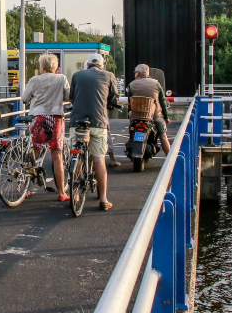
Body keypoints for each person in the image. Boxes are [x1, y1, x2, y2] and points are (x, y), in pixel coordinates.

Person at [69, 52, 119, 211]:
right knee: (99, 160)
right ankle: (103, 199)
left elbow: (72, 97)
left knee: (75, 154)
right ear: (101, 65)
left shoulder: (77, 75)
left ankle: (75, 194)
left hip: (77, 122)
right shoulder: (109, 75)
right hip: (98, 122)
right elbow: (114, 99)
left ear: (87, 64)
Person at [22, 54, 71, 202]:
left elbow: (24, 99)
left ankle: (24, 189)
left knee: (34, 154)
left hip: (38, 118)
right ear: (55, 67)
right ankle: (62, 192)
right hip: (55, 119)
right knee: (57, 157)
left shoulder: (34, 80)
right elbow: (69, 96)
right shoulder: (61, 78)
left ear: (42, 67)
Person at [126, 64, 171, 154]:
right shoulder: (156, 83)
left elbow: (129, 102)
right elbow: (162, 101)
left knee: (130, 116)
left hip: (136, 116)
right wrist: (166, 117)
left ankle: (132, 136)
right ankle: (171, 159)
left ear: (137, 73)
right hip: (154, 115)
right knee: (163, 136)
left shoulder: (131, 84)